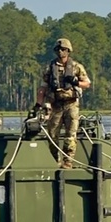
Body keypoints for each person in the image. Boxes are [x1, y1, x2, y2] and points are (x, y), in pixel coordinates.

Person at [39, 38, 91, 168]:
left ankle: (68, 162)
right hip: (55, 105)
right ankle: (55, 161)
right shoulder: (50, 68)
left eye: (63, 49)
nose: (60, 52)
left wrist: (75, 82)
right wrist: (38, 104)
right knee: (52, 135)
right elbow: (43, 88)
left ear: (68, 51)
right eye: (58, 49)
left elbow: (87, 84)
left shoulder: (76, 67)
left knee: (71, 135)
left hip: (71, 104)